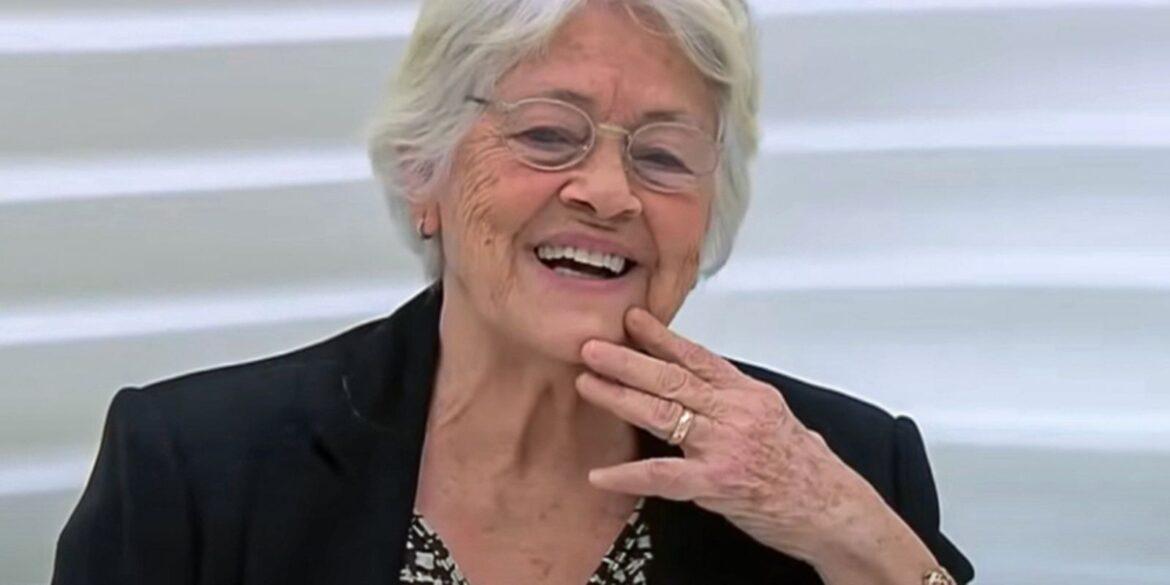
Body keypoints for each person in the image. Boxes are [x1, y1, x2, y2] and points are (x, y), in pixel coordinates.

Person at [52, 1, 973, 584]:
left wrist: (858, 542)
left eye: (662, 155)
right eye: (547, 135)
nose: (608, 192)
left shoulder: (849, 467)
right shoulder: (196, 469)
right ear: (425, 173)